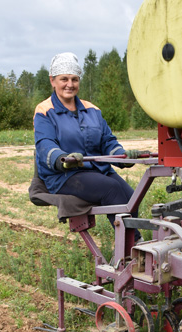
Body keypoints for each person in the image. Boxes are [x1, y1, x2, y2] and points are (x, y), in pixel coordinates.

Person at [33, 52, 141, 232]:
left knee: (133, 198)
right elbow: (45, 145)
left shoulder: (92, 110)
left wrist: (122, 156)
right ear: (53, 80)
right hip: (65, 176)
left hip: (97, 170)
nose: (70, 84)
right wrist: (63, 159)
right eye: (64, 79)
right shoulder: (44, 111)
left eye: (74, 79)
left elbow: (107, 142)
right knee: (112, 190)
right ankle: (132, 247)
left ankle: (130, 244)